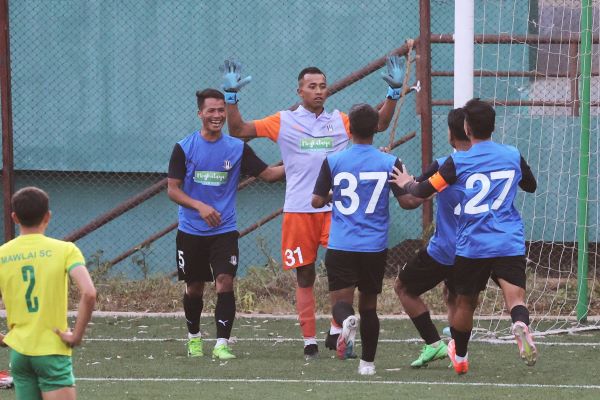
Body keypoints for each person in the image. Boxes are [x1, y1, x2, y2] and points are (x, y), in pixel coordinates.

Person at [220, 56, 406, 359]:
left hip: (337, 212)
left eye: (323, 86)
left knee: (339, 276)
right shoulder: (284, 121)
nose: (319, 91)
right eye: (312, 86)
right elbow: (238, 129)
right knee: (304, 275)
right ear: (300, 92)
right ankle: (309, 339)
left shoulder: (339, 120)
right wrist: (231, 98)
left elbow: (380, 123)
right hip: (298, 210)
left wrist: (394, 93)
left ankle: (337, 329)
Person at [390, 99, 537, 374]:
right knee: (515, 299)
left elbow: (419, 193)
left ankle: (460, 357)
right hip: (508, 239)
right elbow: (530, 185)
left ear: (466, 128)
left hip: (472, 244)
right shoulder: (512, 154)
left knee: (464, 302)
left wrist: (405, 183)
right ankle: (520, 324)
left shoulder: (454, 164)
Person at [167, 88, 285, 360]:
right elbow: (173, 189)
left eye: (221, 110)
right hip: (191, 231)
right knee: (194, 287)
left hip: (224, 230)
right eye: (211, 110)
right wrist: (199, 206)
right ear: (200, 114)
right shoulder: (184, 147)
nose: (217, 115)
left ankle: (222, 344)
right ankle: (194, 337)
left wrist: (302, 163)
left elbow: (267, 174)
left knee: (224, 282)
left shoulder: (236, 148)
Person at [312, 103, 422, 375]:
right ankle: (367, 364)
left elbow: (316, 201)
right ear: (376, 129)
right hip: (373, 247)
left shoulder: (334, 160)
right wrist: (423, 190)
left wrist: (333, 195)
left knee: (341, 304)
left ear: (349, 129)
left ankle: (346, 321)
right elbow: (408, 202)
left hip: (341, 244)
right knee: (370, 308)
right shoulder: (389, 161)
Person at [0, 186, 96, 399]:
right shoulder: (65, 250)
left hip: (20, 353)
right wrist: (77, 335)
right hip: (52, 349)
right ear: (48, 216)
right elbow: (89, 293)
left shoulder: (2, 254)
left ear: (15, 218)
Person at [394, 108, 470, 368]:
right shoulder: (494, 163)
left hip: (445, 250)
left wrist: (397, 178)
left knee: (403, 288)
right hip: (478, 249)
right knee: (456, 296)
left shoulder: (445, 165)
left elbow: (413, 198)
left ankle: (434, 343)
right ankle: (459, 352)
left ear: (451, 134)